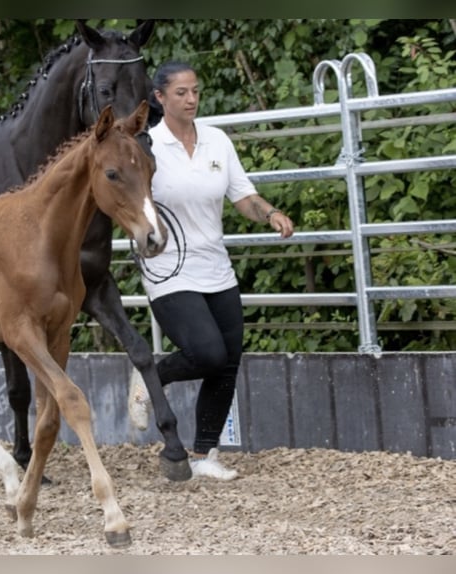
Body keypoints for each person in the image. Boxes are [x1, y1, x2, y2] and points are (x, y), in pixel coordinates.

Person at [129, 61, 295, 480]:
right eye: (181, 92)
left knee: (227, 361)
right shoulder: (146, 145)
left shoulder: (217, 141)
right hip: (167, 267)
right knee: (206, 353)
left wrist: (270, 213)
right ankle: (149, 375)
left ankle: (206, 454)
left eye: (195, 91)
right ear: (160, 98)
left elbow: (243, 197)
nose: (191, 99)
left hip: (215, 265)